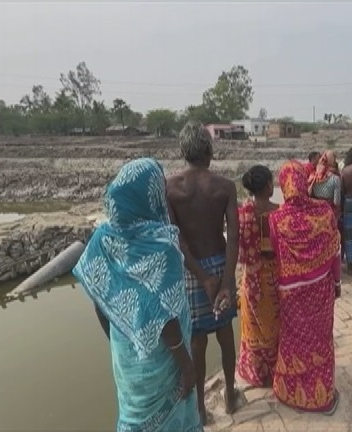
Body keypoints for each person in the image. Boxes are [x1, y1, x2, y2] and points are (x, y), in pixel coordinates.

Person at [73, 158, 203, 432]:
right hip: (166, 358)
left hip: (125, 352)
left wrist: (119, 338)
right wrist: (187, 366)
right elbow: (165, 317)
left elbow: (99, 299)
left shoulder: (102, 240)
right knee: (174, 412)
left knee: (136, 416)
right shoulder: (161, 248)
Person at [166, 121, 239, 423]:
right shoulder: (225, 186)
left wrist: (200, 276)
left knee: (197, 340)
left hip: (190, 269)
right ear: (209, 150)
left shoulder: (171, 187)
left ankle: (199, 409)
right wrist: (225, 281)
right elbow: (233, 236)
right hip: (221, 263)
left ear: (183, 152)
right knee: (225, 334)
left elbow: (176, 237)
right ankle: (231, 394)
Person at [268, 160, 341, 414]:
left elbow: (276, 256)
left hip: (290, 294)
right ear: (304, 182)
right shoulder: (324, 213)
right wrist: (338, 281)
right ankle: (323, 399)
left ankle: (290, 394)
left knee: (293, 341)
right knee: (320, 340)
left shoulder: (276, 219)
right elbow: (335, 253)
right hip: (321, 290)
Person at [236, 165, 280, 388]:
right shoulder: (279, 213)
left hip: (252, 279)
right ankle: (276, 371)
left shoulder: (243, 213)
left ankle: (256, 372)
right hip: (274, 279)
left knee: (253, 325)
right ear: (267, 186)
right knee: (276, 325)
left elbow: (237, 248)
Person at [308, 150, 342, 218]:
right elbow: (336, 202)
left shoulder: (313, 177)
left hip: (316, 212)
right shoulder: (335, 179)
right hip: (329, 213)